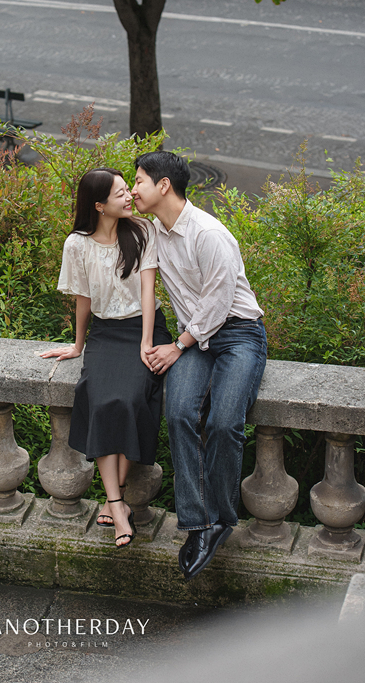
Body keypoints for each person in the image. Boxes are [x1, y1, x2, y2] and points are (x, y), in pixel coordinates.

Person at [132, 151, 267, 581]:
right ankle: (198, 524)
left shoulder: (208, 233)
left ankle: (220, 520)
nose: (133, 190)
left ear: (163, 185)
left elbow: (219, 301)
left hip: (237, 334)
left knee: (225, 422)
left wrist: (177, 345)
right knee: (178, 414)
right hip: (195, 340)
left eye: (138, 181)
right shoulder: (154, 231)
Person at [40, 167, 172, 548]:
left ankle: (114, 501)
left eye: (128, 189)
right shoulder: (76, 245)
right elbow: (83, 300)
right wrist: (78, 344)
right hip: (105, 333)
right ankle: (117, 504)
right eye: (120, 194)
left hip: (143, 328)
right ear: (99, 205)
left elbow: (148, 291)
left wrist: (146, 343)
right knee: (99, 399)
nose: (130, 197)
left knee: (131, 400)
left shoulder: (143, 231)